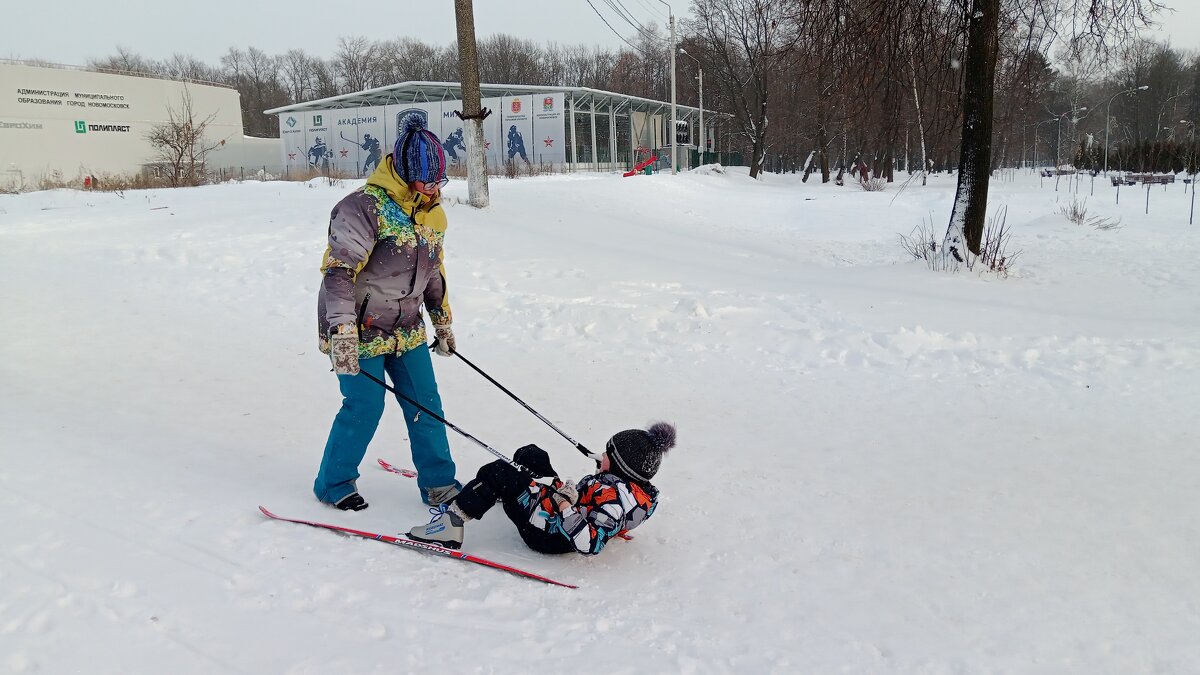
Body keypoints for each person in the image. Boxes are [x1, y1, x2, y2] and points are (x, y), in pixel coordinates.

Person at [314, 115, 459, 511]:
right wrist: (341, 330)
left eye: (439, 182)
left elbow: (433, 270)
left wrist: (441, 321)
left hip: (406, 327)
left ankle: (439, 483)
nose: (433, 190)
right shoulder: (362, 208)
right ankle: (334, 481)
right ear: (405, 172)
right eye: (426, 181)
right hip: (357, 329)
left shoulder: (432, 212)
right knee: (365, 406)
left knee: (426, 404)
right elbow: (339, 272)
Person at [408, 422, 677, 554]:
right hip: (564, 508)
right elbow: (617, 511)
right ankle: (501, 493)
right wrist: (604, 473)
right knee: (531, 454)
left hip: (548, 535)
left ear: (619, 465)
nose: (601, 456)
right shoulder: (634, 491)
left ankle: (449, 527)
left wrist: (564, 505)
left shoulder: (613, 500)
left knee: (500, 472)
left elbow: (590, 544)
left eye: (607, 454)